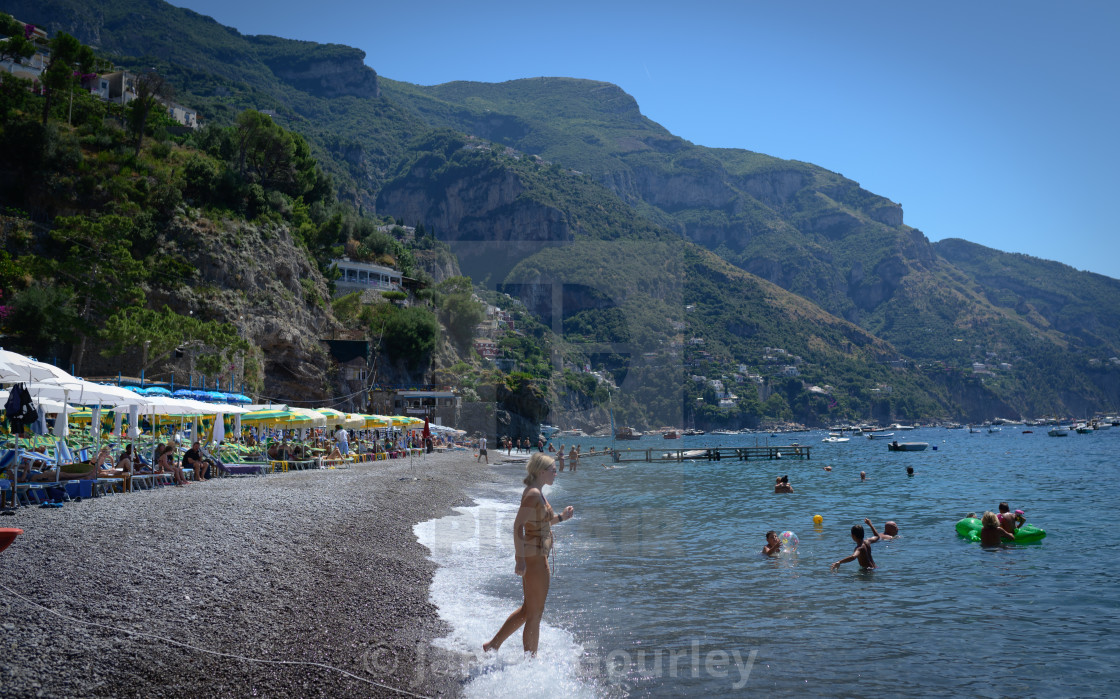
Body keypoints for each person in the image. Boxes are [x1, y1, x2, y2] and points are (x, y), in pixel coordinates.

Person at [483, 453, 574, 656]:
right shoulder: (533, 494)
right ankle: (530, 662)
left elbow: (540, 523)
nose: (556, 473)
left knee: (527, 610)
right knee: (535, 614)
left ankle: (492, 646)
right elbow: (518, 526)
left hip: (537, 556)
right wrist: (520, 559)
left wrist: (561, 517)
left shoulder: (538, 493)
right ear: (541, 472)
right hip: (534, 560)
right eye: (553, 469)